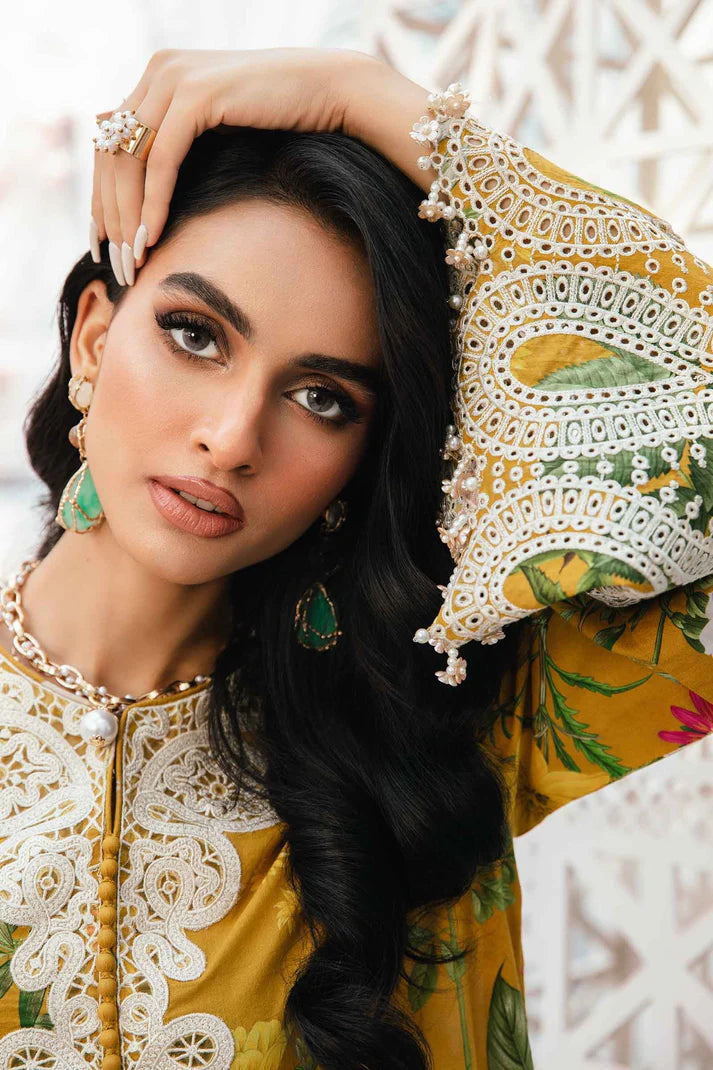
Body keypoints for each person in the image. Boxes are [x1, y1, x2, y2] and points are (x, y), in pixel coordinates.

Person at [0, 46, 711, 1070]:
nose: (234, 436)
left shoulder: (432, 746)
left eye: (320, 397)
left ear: (359, 461)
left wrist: (374, 102)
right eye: (195, 334)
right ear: (93, 340)